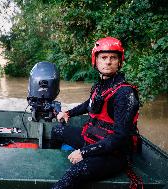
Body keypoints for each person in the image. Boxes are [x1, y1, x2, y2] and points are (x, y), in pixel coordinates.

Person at [51, 37, 140, 189]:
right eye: (103, 57)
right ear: (96, 60)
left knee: (75, 173)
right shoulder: (100, 86)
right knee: (57, 130)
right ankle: (52, 160)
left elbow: (120, 137)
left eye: (113, 58)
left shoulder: (125, 93)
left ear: (119, 62)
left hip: (114, 153)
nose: (108, 62)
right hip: (93, 139)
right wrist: (68, 113)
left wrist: (84, 152)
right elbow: (90, 104)